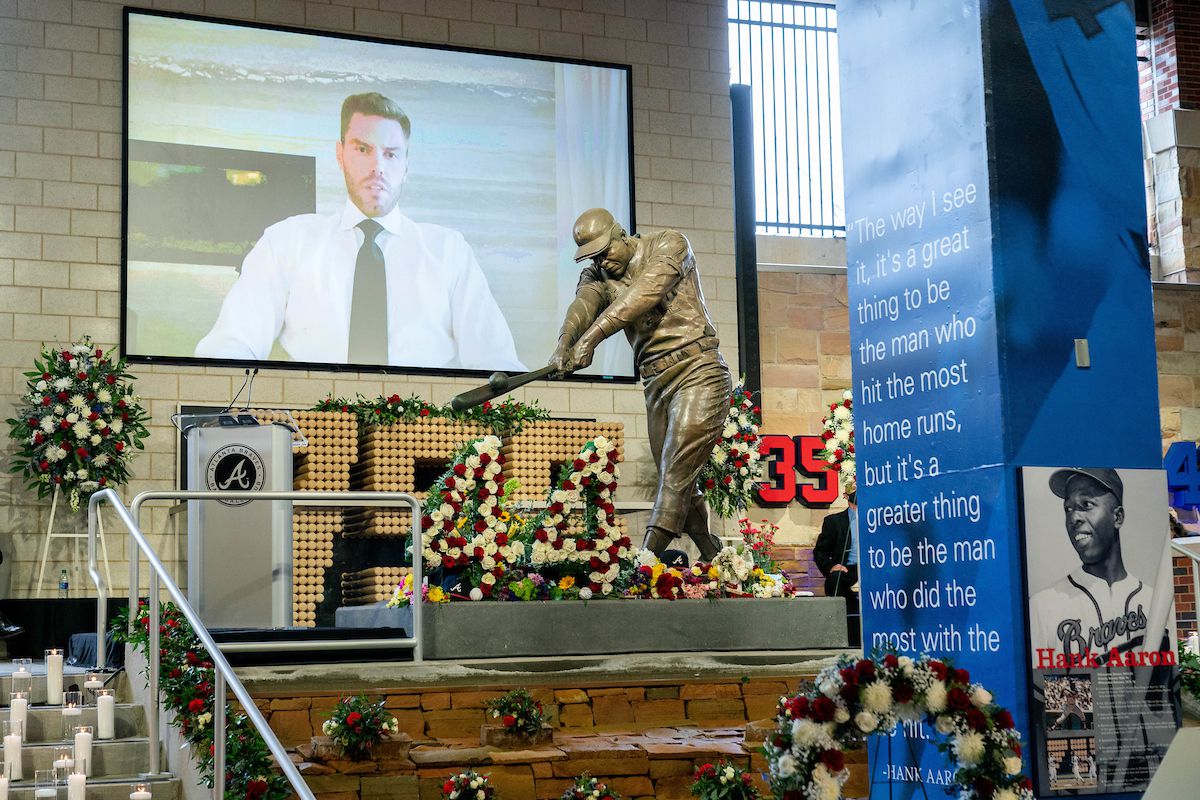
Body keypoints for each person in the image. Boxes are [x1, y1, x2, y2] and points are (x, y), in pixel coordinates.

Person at [196, 92, 525, 372]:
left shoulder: (449, 252)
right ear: (340, 154)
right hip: (316, 434)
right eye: (363, 149)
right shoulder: (286, 242)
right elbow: (231, 346)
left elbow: (497, 366)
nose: (378, 167)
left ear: (406, 165)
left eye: (391, 154)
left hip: (428, 439)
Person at [550, 208, 731, 560]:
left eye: (605, 251)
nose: (602, 261)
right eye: (593, 257)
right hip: (656, 382)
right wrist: (564, 343)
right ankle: (712, 551)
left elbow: (646, 293)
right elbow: (582, 306)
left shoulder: (669, 243)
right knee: (676, 474)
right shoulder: (598, 273)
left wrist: (591, 341)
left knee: (676, 470)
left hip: (698, 369)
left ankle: (645, 559)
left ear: (621, 234)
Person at [1028, 468, 1156, 659]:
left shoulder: (1153, 600)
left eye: (1086, 504)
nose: (1073, 517)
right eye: (1068, 509)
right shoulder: (1042, 606)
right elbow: (1037, 684)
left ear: (1117, 517)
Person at [814, 488, 860, 646]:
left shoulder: (880, 517)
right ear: (846, 496)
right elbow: (820, 551)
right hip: (849, 568)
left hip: (875, 567)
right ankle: (848, 639)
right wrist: (832, 566)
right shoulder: (834, 521)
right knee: (834, 581)